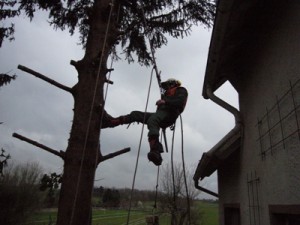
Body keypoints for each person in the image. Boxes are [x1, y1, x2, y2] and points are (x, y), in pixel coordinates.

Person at [102, 78, 188, 166]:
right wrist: (164, 100)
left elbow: (179, 101)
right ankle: (112, 122)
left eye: (167, 86)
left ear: (172, 84)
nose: (166, 89)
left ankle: (155, 150)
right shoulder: (167, 94)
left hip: (170, 114)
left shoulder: (181, 90)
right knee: (136, 114)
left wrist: (165, 101)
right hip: (161, 114)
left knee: (153, 120)